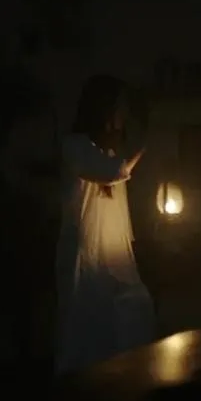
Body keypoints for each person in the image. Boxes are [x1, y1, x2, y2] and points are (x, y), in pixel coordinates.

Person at [55, 75, 155, 375]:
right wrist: (141, 146)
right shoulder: (76, 147)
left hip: (114, 256)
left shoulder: (110, 152)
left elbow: (118, 207)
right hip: (86, 255)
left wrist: (130, 243)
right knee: (86, 330)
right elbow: (112, 173)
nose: (123, 116)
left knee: (130, 318)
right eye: (119, 108)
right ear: (105, 110)